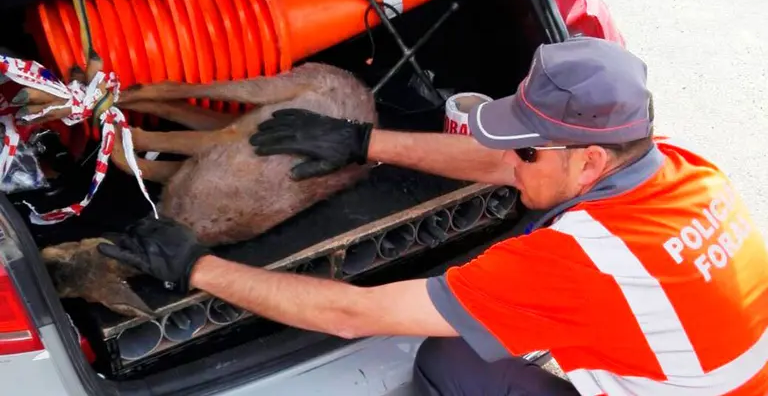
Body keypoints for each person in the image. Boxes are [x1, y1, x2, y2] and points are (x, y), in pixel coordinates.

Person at [98, 37, 768, 395]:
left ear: (590, 162)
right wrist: (360, 143)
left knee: (451, 364)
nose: (510, 159)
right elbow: (500, 164)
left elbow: (351, 313)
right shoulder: (680, 166)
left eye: (527, 147)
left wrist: (197, 265)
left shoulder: (578, 264)